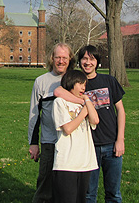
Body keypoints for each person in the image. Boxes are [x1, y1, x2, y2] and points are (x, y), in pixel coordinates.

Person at [54, 45, 126, 203]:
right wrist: (84, 101)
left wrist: (120, 139)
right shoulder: (77, 82)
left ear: (97, 62)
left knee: (114, 193)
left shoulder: (109, 81)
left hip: (111, 143)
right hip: (88, 148)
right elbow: (58, 92)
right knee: (88, 194)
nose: (88, 62)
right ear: (79, 62)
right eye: (84, 59)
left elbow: (120, 110)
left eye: (92, 59)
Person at [28, 43, 76, 203]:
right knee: (45, 186)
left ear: (70, 59)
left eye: (64, 57)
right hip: (49, 142)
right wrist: (33, 143)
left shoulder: (76, 80)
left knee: (69, 187)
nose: (61, 61)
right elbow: (34, 115)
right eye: (58, 57)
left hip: (72, 143)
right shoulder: (41, 81)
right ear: (52, 59)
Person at [52, 70, 99, 203]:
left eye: (85, 84)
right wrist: (83, 113)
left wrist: (87, 100)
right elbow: (67, 129)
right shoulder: (60, 103)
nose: (83, 87)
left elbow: (95, 120)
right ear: (71, 82)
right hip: (67, 164)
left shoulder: (83, 103)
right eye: (80, 83)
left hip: (85, 163)